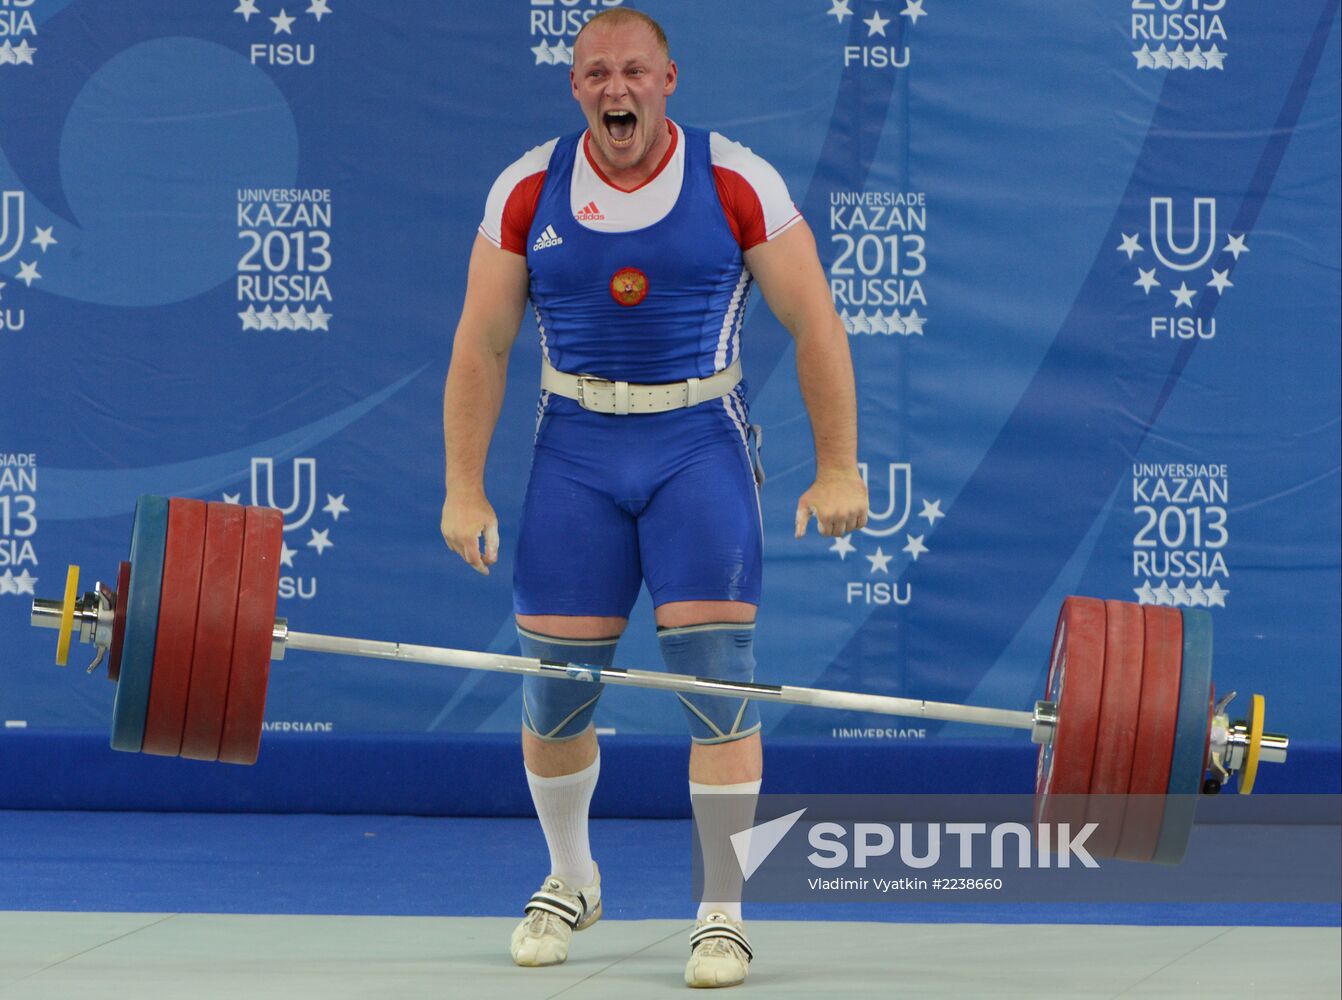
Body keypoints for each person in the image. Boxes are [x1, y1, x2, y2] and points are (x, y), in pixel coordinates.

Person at [440, 8, 867, 989]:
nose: (615, 89)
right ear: (575, 86)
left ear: (669, 77)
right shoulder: (525, 188)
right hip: (576, 449)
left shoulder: (735, 179)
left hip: (695, 445)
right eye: (596, 73)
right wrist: (463, 487)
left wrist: (839, 466)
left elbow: (815, 322)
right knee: (555, 688)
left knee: (718, 675)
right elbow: (482, 343)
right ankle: (571, 876)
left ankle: (721, 911)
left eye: (634, 70)